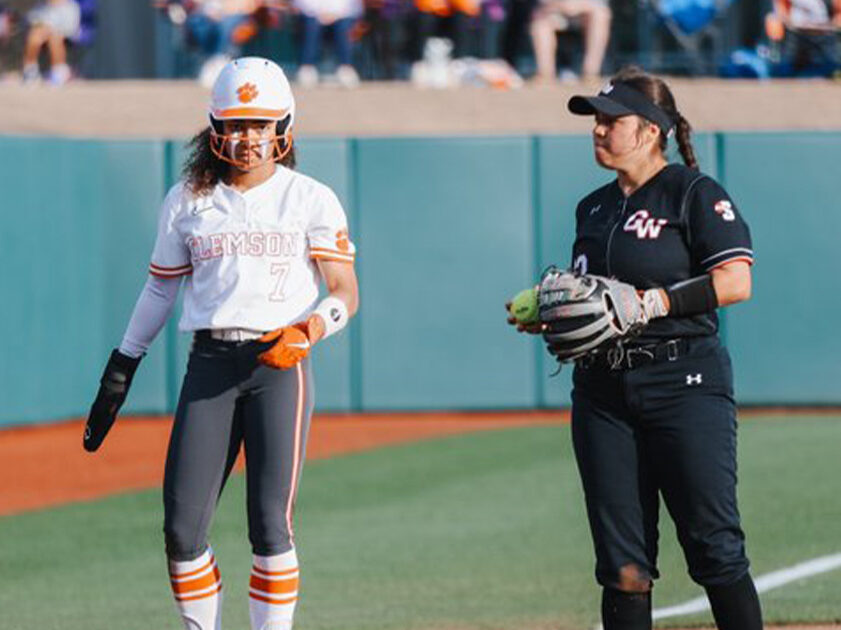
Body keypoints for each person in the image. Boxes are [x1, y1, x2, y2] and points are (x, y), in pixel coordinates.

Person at [83, 56, 359, 630]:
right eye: (235, 123)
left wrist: (310, 328)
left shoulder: (309, 197)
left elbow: (344, 290)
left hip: (278, 362)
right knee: (182, 528)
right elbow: (160, 290)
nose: (248, 136)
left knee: (269, 524)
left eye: (260, 123)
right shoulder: (188, 198)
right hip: (209, 361)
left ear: (284, 126)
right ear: (214, 127)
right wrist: (122, 364)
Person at [510, 66, 763, 630]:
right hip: (602, 394)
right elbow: (596, 302)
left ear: (651, 129)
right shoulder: (592, 208)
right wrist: (555, 316)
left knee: (714, 549)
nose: (598, 131)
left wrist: (653, 304)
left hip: (684, 383)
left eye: (610, 120)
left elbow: (736, 282)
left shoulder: (693, 193)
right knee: (623, 566)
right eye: (594, 121)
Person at [529, 0, 611, 82]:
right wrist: (561, 5)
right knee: (539, 21)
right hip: (553, 12)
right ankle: (545, 74)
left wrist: (578, 5)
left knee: (601, 15)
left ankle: (591, 73)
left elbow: (600, 3)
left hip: (585, 11)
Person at [294, 0, 363, 87]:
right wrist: (319, 14)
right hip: (313, 16)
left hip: (342, 16)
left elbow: (353, 6)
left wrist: (336, 15)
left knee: (345, 26)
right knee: (311, 25)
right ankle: (307, 68)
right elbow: (302, 4)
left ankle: (346, 69)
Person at [21, 0, 81, 85]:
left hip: (64, 38)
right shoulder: (41, 6)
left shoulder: (71, 6)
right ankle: (30, 70)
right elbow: (33, 22)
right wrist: (44, 30)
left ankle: (58, 72)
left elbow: (71, 29)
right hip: (43, 36)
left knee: (55, 38)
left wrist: (51, 31)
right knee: (34, 37)